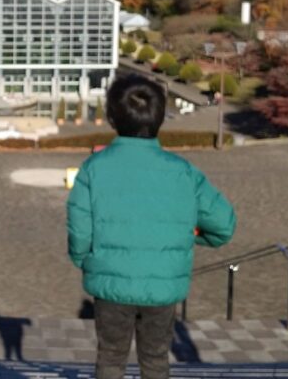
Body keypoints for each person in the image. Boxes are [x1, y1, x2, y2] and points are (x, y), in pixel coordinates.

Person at [67, 73, 237, 379]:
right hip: (163, 284)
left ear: (112, 118)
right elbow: (223, 226)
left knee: (109, 358)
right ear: (160, 117)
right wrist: (187, 236)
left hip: (110, 285)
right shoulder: (182, 171)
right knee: (156, 358)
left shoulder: (94, 167)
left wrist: (87, 261)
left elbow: (80, 232)